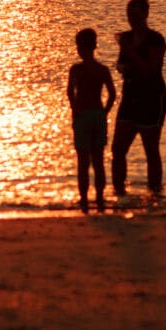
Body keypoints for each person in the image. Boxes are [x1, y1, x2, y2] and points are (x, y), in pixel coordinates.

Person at [111, 0, 166, 195]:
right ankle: (119, 193)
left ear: (145, 15)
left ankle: (155, 192)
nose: (132, 19)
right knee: (118, 149)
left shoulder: (155, 39)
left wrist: (130, 52)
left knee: (151, 149)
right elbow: (121, 63)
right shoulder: (126, 37)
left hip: (152, 98)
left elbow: (150, 70)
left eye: (135, 15)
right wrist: (121, 66)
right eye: (129, 15)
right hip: (130, 97)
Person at [66, 28, 116, 213]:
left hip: (83, 115)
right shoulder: (102, 70)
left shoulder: (76, 70)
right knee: (98, 160)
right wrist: (105, 112)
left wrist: (74, 108)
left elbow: (70, 92)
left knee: (83, 161)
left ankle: (85, 200)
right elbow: (112, 94)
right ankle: (100, 199)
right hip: (97, 114)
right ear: (95, 46)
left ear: (79, 47)